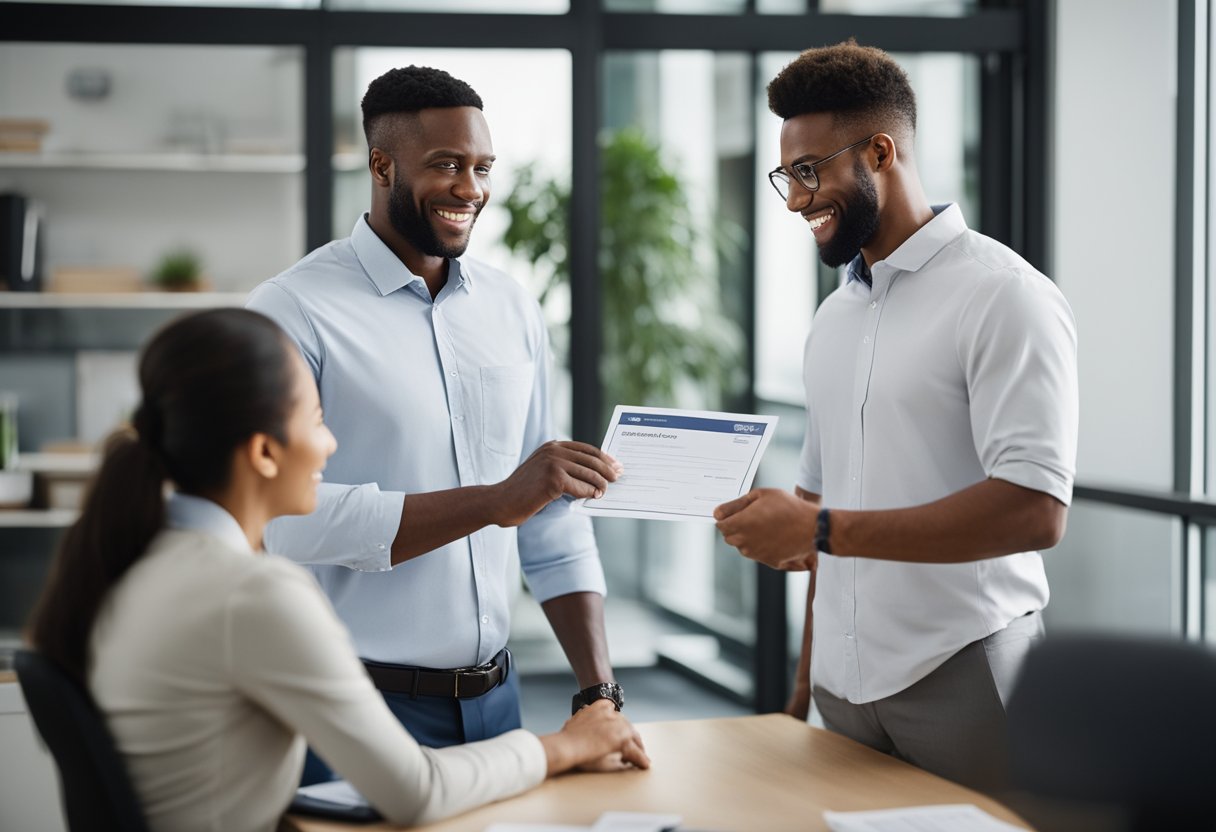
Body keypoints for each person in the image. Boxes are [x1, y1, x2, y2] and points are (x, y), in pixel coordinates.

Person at [25, 308, 649, 832]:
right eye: (318, 421)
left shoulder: (139, 557)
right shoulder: (252, 594)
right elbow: (417, 790)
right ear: (265, 453)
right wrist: (569, 745)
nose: (330, 446)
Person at [246, 65, 627, 783]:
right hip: (351, 705)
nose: (470, 188)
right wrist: (492, 501)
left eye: (482, 167)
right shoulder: (292, 311)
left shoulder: (511, 308)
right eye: (446, 165)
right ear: (381, 165)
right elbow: (282, 522)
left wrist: (597, 693)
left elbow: (548, 517)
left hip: (499, 704)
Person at [713, 41, 1078, 792]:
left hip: (965, 674)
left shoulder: (1003, 294)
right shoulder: (834, 317)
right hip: (842, 692)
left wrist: (817, 530)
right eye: (787, 175)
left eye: (810, 172)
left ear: (880, 152)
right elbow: (823, 504)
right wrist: (804, 682)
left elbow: (1037, 510)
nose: (794, 200)